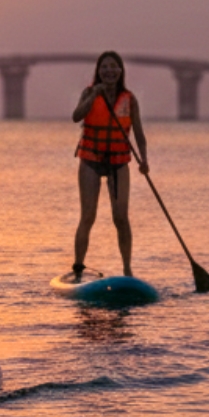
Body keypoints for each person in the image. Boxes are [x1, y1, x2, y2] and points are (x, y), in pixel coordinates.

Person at [69, 50, 148, 280]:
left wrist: (144, 160)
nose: (109, 71)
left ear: (120, 71)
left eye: (114, 67)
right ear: (98, 71)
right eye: (104, 67)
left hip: (119, 162)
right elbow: (76, 116)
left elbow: (139, 134)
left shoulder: (129, 99)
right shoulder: (89, 92)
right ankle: (78, 268)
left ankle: (127, 269)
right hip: (91, 161)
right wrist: (93, 96)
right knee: (88, 216)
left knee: (121, 217)